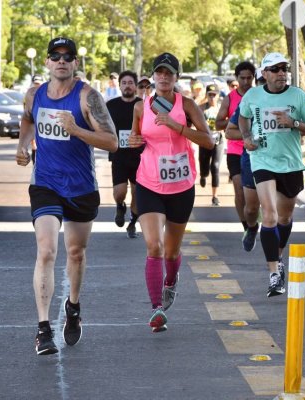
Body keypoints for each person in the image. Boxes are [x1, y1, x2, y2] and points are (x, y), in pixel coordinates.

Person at [15, 37, 118, 355]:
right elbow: (27, 120)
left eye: (67, 56)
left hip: (81, 186)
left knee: (76, 253)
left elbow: (112, 142)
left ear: (75, 63)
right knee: (46, 251)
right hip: (45, 182)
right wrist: (22, 145)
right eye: (55, 56)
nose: (61, 61)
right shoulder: (34, 95)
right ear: (47, 62)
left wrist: (77, 130)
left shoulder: (88, 97)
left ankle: (73, 307)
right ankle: (43, 329)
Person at [128, 52, 213, 332]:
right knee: (154, 245)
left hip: (181, 186)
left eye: (169, 73)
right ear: (153, 76)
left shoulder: (186, 104)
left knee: (172, 251)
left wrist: (177, 126)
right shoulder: (141, 107)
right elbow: (136, 139)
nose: (164, 77)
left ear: (176, 77)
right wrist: (133, 141)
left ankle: (171, 281)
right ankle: (156, 309)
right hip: (149, 182)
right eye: (159, 72)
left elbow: (208, 141)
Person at [238, 53, 305, 297]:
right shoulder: (253, 95)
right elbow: (243, 117)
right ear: (264, 74)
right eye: (275, 69)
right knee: (270, 215)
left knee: (284, 217)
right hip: (262, 160)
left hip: (290, 164)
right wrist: (247, 138)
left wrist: (292, 123)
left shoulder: (298, 96)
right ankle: (273, 273)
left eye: (284, 68)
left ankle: (279, 256)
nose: (281, 73)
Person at [224, 70, 266, 252]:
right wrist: (248, 136)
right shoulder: (249, 101)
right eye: (263, 80)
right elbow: (228, 131)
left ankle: (274, 249)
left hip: (280, 160)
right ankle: (252, 227)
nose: (268, 84)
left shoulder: (288, 100)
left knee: (277, 208)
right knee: (251, 209)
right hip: (252, 157)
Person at [215, 61, 256, 233]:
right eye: (242, 78)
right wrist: (237, 121)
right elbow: (218, 123)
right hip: (235, 150)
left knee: (253, 194)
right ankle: (246, 226)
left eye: (249, 78)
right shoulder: (230, 98)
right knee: (239, 190)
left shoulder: (259, 96)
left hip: (256, 150)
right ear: (237, 78)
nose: (246, 82)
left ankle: (254, 219)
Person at [106, 70, 143, 238]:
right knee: (119, 192)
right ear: (119, 86)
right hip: (119, 156)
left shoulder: (143, 105)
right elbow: (102, 126)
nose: (127, 86)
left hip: (140, 156)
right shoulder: (111, 105)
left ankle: (133, 223)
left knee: (137, 193)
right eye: (124, 83)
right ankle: (120, 206)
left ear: (135, 86)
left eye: (130, 83)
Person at [199, 83, 224, 206]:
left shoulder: (221, 108)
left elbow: (228, 122)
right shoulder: (201, 108)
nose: (212, 97)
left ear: (218, 95)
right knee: (204, 167)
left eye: (214, 95)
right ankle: (203, 175)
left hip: (218, 140)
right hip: (204, 140)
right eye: (210, 95)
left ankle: (215, 196)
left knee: (215, 166)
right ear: (206, 95)